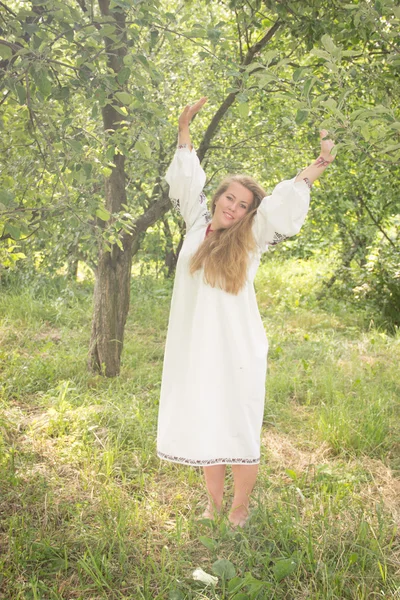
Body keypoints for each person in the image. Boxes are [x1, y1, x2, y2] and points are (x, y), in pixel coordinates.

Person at [157, 97, 335, 527]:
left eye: (241, 204)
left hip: (237, 349)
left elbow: (286, 199)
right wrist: (184, 127)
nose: (232, 207)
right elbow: (185, 180)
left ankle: (239, 508)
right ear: (218, 197)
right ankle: (213, 505)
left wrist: (320, 164)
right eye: (229, 198)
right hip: (197, 348)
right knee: (207, 423)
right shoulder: (196, 222)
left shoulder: (254, 235)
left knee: (237, 426)